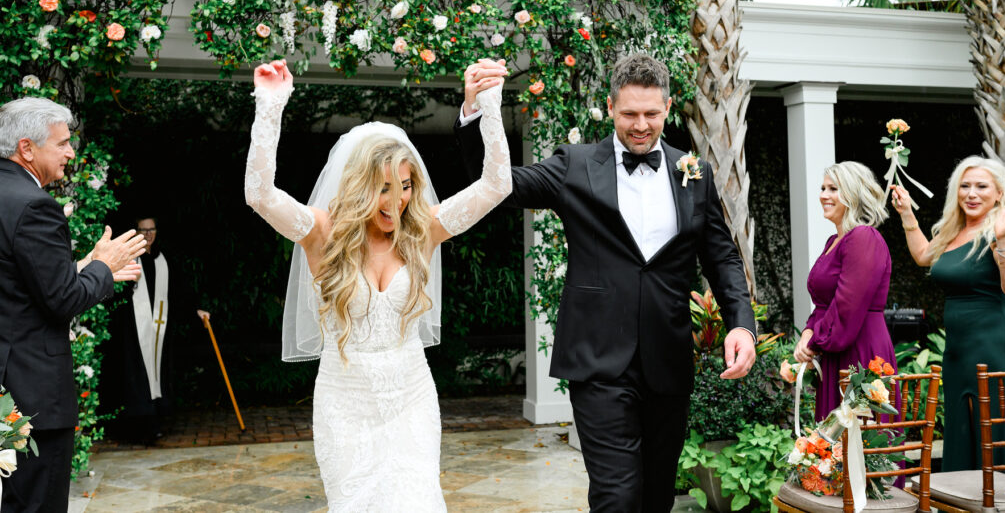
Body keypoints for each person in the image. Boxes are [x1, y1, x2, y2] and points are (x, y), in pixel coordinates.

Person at [454, 53, 756, 512]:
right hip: (597, 362)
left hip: (667, 362)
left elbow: (723, 257)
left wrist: (741, 324)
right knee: (616, 496)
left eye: (651, 114)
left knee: (655, 497)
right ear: (611, 106)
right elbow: (498, 186)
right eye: (630, 113)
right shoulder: (575, 164)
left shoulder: (694, 172)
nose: (640, 125)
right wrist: (476, 113)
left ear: (668, 108)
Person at [243, 59, 510, 510]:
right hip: (344, 404)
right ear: (359, 185)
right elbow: (260, 195)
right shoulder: (320, 231)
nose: (397, 201)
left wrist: (491, 106)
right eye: (383, 188)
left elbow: (497, 185)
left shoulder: (423, 228)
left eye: (405, 186)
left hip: (411, 396)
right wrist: (270, 109)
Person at [0, 97, 146, 513]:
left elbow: (19, 285)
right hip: (30, 400)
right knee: (35, 505)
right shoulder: (34, 206)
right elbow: (62, 300)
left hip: (5, 390)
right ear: (27, 148)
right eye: (63, 143)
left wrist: (86, 267)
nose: (70, 152)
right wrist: (103, 265)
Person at [891, 156, 1005, 471]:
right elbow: (924, 256)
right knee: (960, 432)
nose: (971, 194)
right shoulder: (953, 231)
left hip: (994, 349)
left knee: (994, 434)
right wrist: (907, 213)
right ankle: (960, 500)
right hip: (956, 353)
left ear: (998, 194)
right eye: (965, 186)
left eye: (981, 186)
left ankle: (1001, 501)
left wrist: (1002, 239)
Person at [793, 161, 898, 421]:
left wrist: (814, 341)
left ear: (853, 194)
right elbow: (823, 304)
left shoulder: (864, 237)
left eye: (833, 189)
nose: (823, 195)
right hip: (835, 350)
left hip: (861, 350)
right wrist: (808, 331)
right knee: (833, 447)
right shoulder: (834, 242)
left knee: (862, 446)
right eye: (823, 188)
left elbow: (847, 305)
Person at [104, 215, 210, 444]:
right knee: (137, 375)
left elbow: (178, 290)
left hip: (159, 330)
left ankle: (155, 423)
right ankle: (138, 427)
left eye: (151, 230)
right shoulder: (127, 259)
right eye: (143, 230)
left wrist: (196, 310)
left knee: (158, 374)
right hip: (133, 332)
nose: (148, 234)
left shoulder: (163, 260)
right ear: (136, 232)